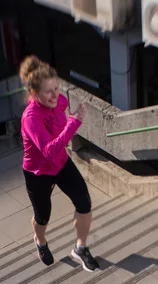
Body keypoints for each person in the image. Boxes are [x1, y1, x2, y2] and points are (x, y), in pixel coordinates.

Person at [19, 55, 99, 272]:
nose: (55, 94)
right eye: (48, 91)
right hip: (38, 172)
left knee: (84, 201)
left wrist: (69, 118)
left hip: (61, 163)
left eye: (56, 87)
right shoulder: (30, 118)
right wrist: (73, 124)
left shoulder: (60, 101)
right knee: (43, 217)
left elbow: (60, 119)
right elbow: (48, 151)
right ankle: (40, 240)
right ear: (35, 93)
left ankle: (80, 247)